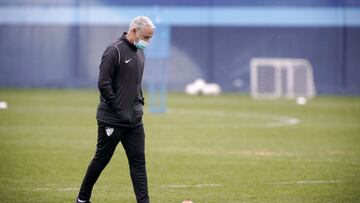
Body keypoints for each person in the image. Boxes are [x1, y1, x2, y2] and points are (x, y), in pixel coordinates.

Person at [75, 16, 155, 203]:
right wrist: (119, 109)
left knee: (138, 163)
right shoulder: (114, 51)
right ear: (134, 31)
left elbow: (134, 84)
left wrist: (138, 103)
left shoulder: (139, 52)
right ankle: (82, 199)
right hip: (112, 120)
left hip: (134, 120)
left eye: (150, 38)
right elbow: (104, 84)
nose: (147, 42)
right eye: (146, 37)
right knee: (101, 160)